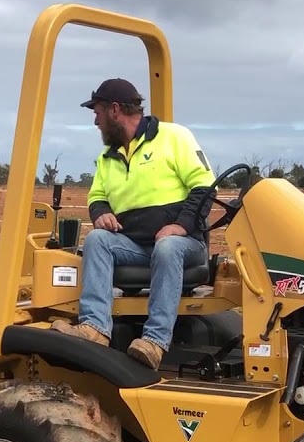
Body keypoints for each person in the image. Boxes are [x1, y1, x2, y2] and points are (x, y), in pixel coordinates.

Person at [50, 77, 216, 370]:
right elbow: (97, 196)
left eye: (97, 112)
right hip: (135, 246)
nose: (95, 121)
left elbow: (204, 187)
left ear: (115, 110)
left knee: (167, 246)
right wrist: (101, 212)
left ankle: (154, 341)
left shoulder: (174, 137)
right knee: (97, 239)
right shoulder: (107, 158)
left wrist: (180, 225)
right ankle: (95, 328)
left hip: (185, 244)